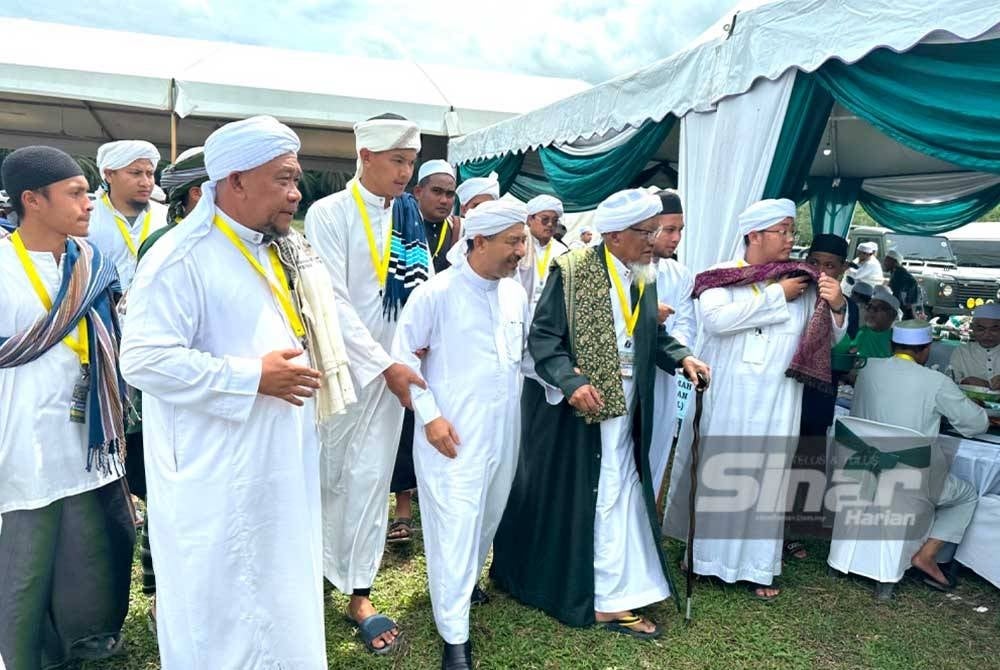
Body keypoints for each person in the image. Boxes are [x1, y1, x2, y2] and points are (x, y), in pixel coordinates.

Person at [120, 116, 347, 669]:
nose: (297, 193)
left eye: (296, 180)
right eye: (285, 179)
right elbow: (143, 360)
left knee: (278, 586)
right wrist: (251, 378)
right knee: (222, 605)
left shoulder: (273, 248)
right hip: (216, 471)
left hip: (276, 457)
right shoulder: (180, 258)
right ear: (236, 181)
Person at [492, 189, 710, 636]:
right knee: (603, 490)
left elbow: (648, 334)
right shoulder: (572, 273)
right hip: (583, 410)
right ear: (613, 236)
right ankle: (605, 599)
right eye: (644, 232)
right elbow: (544, 341)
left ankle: (618, 585)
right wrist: (572, 383)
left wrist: (682, 356)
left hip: (629, 406)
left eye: (655, 231)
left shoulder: (641, 274)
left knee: (621, 489)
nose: (653, 240)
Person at [0, 145, 134, 668]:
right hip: (21, 436)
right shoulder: (4, 266)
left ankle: (90, 639)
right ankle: (27, 655)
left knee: (93, 546)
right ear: (33, 200)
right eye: (76, 193)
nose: (89, 204)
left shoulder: (91, 262)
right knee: (28, 560)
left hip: (89, 434)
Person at [679, 198, 847, 601]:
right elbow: (717, 321)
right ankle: (703, 561)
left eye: (792, 231)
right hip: (730, 392)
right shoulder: (721, 275)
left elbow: (829, 338)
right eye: (783, 231)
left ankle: (758, 567)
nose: (791, 240)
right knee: (721, 473)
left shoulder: (804, 281)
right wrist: (777, 296)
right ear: (754, 235)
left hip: (778, 396)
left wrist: (838, 305)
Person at [305, 113, 429, 655]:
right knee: (325, 473)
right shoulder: (328, 214)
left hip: (394, 373)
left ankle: (359, 592)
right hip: (339, 369)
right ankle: (309, 576)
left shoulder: (410, 216)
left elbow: (419, 296)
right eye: (398, 160)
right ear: (366, 157)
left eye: (411, 161)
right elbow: (330, 299)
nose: (406, 173)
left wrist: (409, 354)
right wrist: (383, 363)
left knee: (373, 480)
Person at [391, 200, 529, 670]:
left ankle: (466, 583)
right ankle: (454, 638)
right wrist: (429, 416)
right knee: (453, 525)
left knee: (486, 516)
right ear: (481, 241)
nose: (521, 251)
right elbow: (403, 357)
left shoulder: (515, 294)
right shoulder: (438, 293)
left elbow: (523, 358)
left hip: (503, 430)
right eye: (513, 242)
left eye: (523, 240)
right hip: (451, 434)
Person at [127, 145, 210, 635]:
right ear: (197, 194)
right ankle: (158, 591)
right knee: (164, 499)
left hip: (210, 396)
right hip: (169, 393)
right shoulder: (164, 245)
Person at [851, 320, 987, 590]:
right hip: (909, 479)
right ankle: (927, 556)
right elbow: (976, 424)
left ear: (891, 345)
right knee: (966, 495)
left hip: (862, 469)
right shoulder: (936, 381)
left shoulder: (867, 370)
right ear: (926, 349)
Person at [786, 233, 861, 555]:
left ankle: (792, 530)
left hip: (818, 391)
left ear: (842, 269)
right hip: (785, 386)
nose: (821, 270)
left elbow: (843, 337)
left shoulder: (847, 304)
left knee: (808, 458)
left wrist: (837, 304)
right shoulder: (794, 289)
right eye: (814, 262)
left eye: (830, 265)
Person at [649, 189, 696, 500]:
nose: (676, 238)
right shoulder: (615, 270)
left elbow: (687, 327)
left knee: (654, 454)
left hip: (662, 380)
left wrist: (669, 344)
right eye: (669, 230)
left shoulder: (679, 275)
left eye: (680, 230)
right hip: (619, 379)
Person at [86, 140, 169, 291]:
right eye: (136, 173)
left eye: (149, 174)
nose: (146, 182)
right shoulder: (87, 217)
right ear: (109, 175)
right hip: (101, 311)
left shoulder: (166, 218)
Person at [517, 194, 570, 315]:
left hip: (549, 314)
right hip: (519, 310)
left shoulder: (562, 251)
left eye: (555, 221)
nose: (550, 225)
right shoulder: (519, 244)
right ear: (530, 219)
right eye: (545, 219)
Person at [414, 159, 461, 274]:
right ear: (418, 192)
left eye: (449, 194)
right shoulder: (403, 226)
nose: (444, 200)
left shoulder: (460, 230)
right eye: (437, 191)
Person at [948, 303, 1000, 388]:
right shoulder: (962, 352)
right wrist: (965, 382)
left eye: (994, 329)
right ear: (972, 328)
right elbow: (950, 383)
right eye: (981, 329)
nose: (987, 335)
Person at [850, 286, 900, 360]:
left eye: (878, 308)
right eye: (869, 306)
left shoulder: (897, 340)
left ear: (892, 315)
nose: (871, 311)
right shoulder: (858, 333)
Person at [884, 249, 919, 319]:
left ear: (895, 262)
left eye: (887, 261)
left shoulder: (900, 274)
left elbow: (897, 294)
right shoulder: (896, 272)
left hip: (904, 310)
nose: (884, 263)